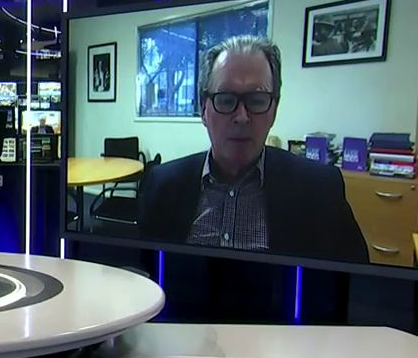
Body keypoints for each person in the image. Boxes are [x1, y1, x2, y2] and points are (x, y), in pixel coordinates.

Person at [137, 35, 368, 263]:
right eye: (225, 100)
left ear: (274, 110)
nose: (242, 117)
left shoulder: (320, 190)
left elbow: (355, 280)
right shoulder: (162, 184)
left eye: (257, 100)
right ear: (203, 109)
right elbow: (140, 275)